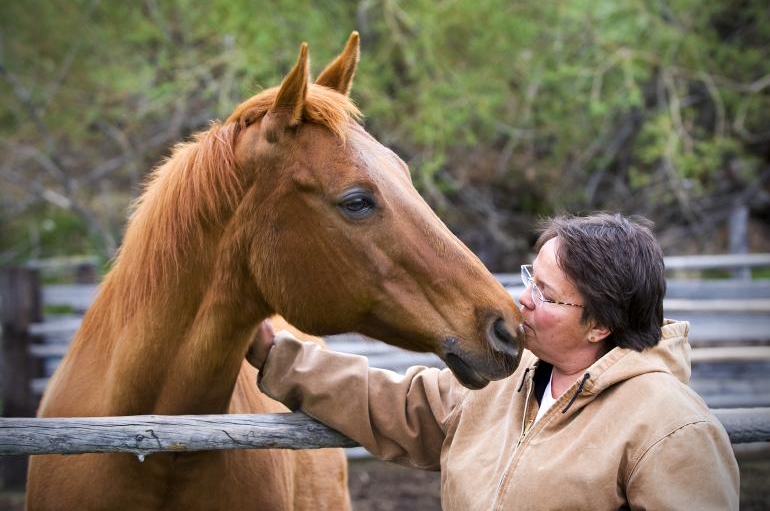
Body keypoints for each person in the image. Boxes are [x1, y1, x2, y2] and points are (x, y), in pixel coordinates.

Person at [246, 212, 739, 510]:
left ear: (600, 325)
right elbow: (393, 404)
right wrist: (275, 355)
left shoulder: (671, 429)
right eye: (531, 278)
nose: (521, 300)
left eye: (545, 295)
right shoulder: (509, 382)